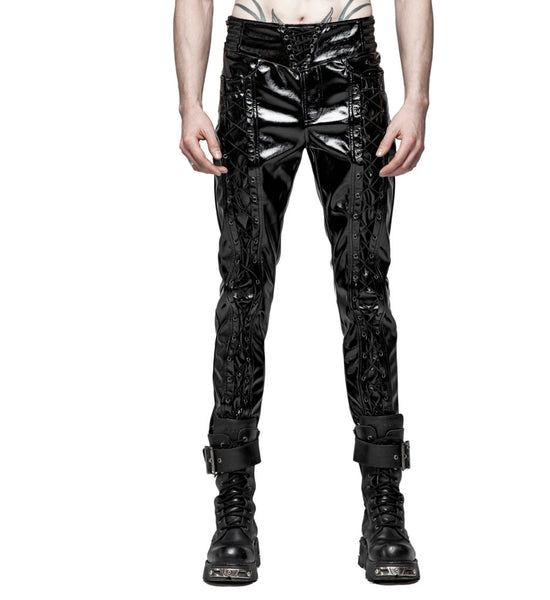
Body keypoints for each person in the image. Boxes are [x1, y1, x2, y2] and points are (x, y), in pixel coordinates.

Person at [173, 0, 433, 585]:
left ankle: (384, 509)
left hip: (349, 63)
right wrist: (189, 103)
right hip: (253, 68)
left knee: (366, 290)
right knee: (243, 291)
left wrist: (417, 98)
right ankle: (233, 513)